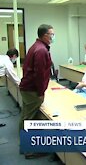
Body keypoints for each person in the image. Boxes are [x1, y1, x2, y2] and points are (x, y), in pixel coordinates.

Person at [19, 24, 54, 159]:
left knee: (27, 116)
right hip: (32, 90)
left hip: (28, 88)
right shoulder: (41, 50)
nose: (53, 36)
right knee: (29, 119)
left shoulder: (36, 46)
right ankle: (29, 149)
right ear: (45, 35)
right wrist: (41, 92)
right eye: (51, 34)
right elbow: (39, 74)